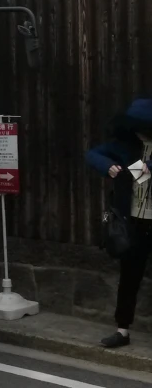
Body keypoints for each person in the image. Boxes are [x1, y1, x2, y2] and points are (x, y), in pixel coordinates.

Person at [86, 97, 152, 348]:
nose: (140, 131)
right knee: (129, 278)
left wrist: (149, 166)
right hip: (133, 222)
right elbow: (92, 154)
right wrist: (108, 166)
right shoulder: (125, 146)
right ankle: (122, 330)